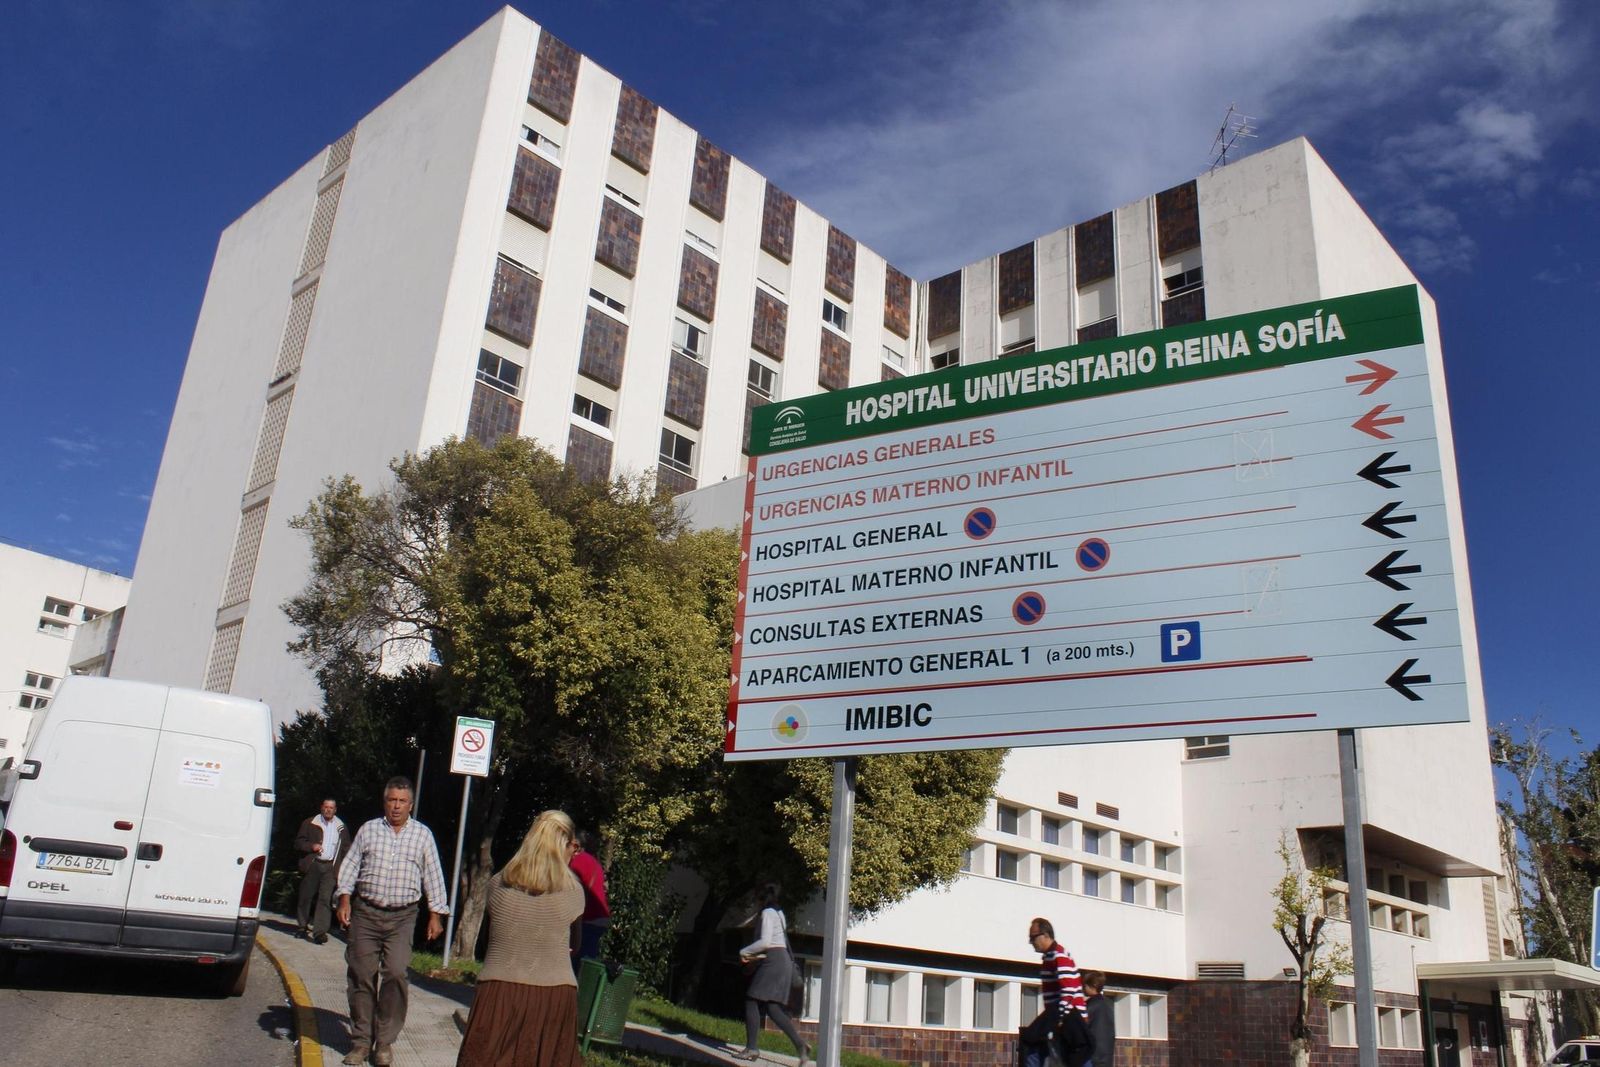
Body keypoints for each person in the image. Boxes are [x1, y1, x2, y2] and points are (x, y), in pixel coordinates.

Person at [455, 810, 585, 1067]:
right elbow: (575, 945)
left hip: (499, 993)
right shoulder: (573, 892)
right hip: (553, 996)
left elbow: (487, 941)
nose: (574, 852)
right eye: (574, 846)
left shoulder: (497, 884)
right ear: (563, 844)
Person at [335, 777, 449, 1067]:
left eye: (401, 801)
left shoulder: (423, 835)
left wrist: (435, 915)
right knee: (361, 974)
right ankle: (361, 1042)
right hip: (366, 912)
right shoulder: (369, 830)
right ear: (384, 802)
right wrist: (344, 898)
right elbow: (350, 866)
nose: (396, 806)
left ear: (410, 804)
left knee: (396, 973)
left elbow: (433, 876)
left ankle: (384, 1042)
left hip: (402, 916)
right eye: (391, 800)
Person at [735, 883, 808, 1066]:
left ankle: (751, 1048)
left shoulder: (767, 913)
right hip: (782, 960)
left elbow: (766, 942)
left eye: (756, 899)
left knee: (751, 1000)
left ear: (761, 899)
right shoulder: (779, 913)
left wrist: (744, 952)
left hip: (773, 960)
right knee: (773, 1008)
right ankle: (800, 1046)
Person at [1020, 917, 1087, 1067]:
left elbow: (1068, 990)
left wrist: (1059, 1021)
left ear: (1045, 935)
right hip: (1060, 1016)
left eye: (1033, 937)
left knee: (1032, 1044)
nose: (1031, 942)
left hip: (1068, 1017)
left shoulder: (1059, 956)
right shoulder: (1050, 957)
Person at [294, 797, 350, 943]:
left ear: (335, 810)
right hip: (314, 863)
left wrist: (342, 868)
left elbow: (346, 849)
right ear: (321, 807)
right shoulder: (310, 823)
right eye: (326, 807)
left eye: (331, 808)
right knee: (306, 896)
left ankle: (319, 933)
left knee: (325, 900)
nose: (328, 810)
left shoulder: (341, 828)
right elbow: (298, 842)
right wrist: (311, 846)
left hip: (330, 867)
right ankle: (302, 927)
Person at [567, 828, 610, 972]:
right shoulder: (593, 861)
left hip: (588, 916)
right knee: (586, 961)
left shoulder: (577, 860)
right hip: (599, 916)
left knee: (575, 962)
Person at [1083, 970, 1115, 1067]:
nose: (1082, 988)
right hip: (1107, 1057)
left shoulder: (1090, 1005)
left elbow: (1081, 1028)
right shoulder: (1109, 1004)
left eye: (1084, 986)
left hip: (1092, 1057)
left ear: (1093, 985)